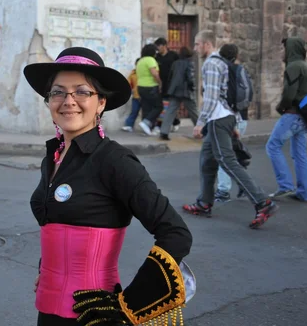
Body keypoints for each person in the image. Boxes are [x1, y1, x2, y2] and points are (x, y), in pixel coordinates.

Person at [23, 47, 192, 326]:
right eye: (58, 92)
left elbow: (175, 233)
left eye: (82, 92)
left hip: (95, 318)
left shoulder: (114, 160)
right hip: (47, 312)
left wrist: (130, 305)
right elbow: (58, 220)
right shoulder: (54, 156)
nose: (68, 101)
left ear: (101, 102)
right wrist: (49, 268)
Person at [182, 30, 279, 229]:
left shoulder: (211, 64)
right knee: (207, 162)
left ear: (207, 44)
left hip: (217, 120)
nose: (195, 48)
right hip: (224, 118)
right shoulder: (224, 63)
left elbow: (211, 97)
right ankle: (204, 203)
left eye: (198, 44)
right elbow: (228, 96)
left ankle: (262, 202)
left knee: (227, 161)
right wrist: (233, 122)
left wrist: (200, 123)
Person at [266, 37, 307, 202]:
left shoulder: (293, 66)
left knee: (272, 146)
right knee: (299, 153)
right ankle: (304, 192)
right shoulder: (306, 67)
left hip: (292, 115)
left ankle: (285, 185)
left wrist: (281, 107)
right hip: (304, 117)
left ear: (291, 50)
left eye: (284, 49)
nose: (281, 52)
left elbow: (289, 93)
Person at [214, 44, 250, 202]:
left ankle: (223, 191)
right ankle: (245, 186)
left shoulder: (221, 71)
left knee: (224, 156)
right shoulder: (241, 70)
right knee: (232, 156)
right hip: (242, 117)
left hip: (228, 119)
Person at [159, 46, 199, 141]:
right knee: (194, 111)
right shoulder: (190, 63)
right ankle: (202, 130)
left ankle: (164, 132)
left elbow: (170, 76)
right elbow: (190, 78)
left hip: (174, 90)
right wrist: (193, 88)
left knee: (170, 111)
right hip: (186, 91)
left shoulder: (175, 63)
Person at [136, 44, 163, 136]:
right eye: (155, 51)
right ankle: (146, 122)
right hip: (151, 86)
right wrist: (160, 83)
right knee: (158, 106)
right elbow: (154, 74)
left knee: (146, 107)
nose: (156, 53)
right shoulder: (150, 60)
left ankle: (146, 127)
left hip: (140, 87)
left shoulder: (140, 61)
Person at [155, 38, 181, 131]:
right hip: (161, 84)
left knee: (171, 105)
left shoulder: (173, 55)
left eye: (159, 46)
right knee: (162, 105)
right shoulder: (156, 57)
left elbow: (179, 68)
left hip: (172, 84)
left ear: (165, 45)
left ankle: (175, 122)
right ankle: (162, 124)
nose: (158, 48)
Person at [122, 58, 141, 132]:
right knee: (134, 111)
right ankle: (128, 125)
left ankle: (149, 127)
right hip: (136, 96)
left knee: (147, 113)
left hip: (146, 96)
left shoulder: (146, 73)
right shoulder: (133, 73)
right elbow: (128, 83)